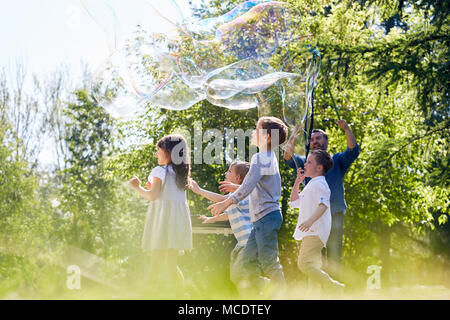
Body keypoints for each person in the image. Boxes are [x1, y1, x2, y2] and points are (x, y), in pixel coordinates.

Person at [208, 116, 288, 296]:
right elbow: (252, 188)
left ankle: (282, 295)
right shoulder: (267, 158)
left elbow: (246, 187)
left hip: (267, 218)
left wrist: (224, 203)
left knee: (269, 262)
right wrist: (228, 199)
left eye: (256, 129)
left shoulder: (261, 158)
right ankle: (256, 295)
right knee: (246, 262)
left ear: (267, 137)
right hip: (261, 219)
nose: (252, 132)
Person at [284, 119, 359, 277]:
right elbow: (287, 156)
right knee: (312, 258)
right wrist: (295, 135)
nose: (314, 141)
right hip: (313, 215)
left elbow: (353, 150)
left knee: (333, 254)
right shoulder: (306, 163)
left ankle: (334, 290)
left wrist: (346, 128)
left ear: (326, 141)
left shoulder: (336, 161)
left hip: (334, 213)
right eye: (312, 139)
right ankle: (319, 291)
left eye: (318, 138)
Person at [129, 134, 192, 291]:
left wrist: (137, 187)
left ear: (169, 152)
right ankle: (180, 294)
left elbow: (153, 196)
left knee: (156, 260)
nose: (156, 154)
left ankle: (146, 293)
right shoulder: (181, 175)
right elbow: (165, 194)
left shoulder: (159, 170)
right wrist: (152, 187)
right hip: (176, 222)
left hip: (162, 221)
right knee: (172, 264)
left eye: (159, 151)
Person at [188, 161, 252, 294]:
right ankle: (262, 289)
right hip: (243, 243)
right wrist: (211, 219)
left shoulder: (242, 194)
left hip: (250, 242)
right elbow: (228, 214)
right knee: (237, 275)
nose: (225, 173)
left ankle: (270, 285)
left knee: (240, 274)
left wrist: (199, 190)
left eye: (229, 171)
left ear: (238, 178)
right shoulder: (236, 197)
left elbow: (222, 199)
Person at [289, 149, 344, 293]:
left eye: (309, 162)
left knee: (304, 263)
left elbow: (323, 205)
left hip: (314, 232)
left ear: (319, 168)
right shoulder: (311, 185)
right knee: (312, 265)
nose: (305, 164)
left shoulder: (320, 184)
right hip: (311, 232)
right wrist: (297, 183)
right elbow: (294, 201)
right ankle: (315, 294)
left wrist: (309, 221)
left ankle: (333, 286)